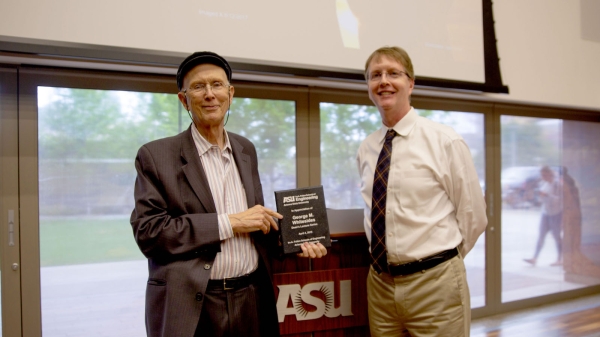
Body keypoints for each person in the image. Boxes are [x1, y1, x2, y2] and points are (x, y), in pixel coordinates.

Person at [130, 51, 327, 337]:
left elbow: (254, 226)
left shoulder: (246, 150)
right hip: (194, 306)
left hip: (252, 299)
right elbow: (150, 233)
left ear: (231, 94)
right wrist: (230, 222)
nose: (210, 94)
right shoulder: (156, 155)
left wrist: (295, 240)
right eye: (198, 87)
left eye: (217, 85)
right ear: (183, 99)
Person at [356, 46, 487, 337]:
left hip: (436, 285)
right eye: (375, 75)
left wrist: (441, 263)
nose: (384, 81)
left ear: (411, 83)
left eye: (394, 73)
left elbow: (474, 216)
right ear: (368, 87)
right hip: (380, 285)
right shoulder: (367, 148)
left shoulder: (444, 141)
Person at [524, 166, 563, 266]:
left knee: (556, 236)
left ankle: (560, 258)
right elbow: (541, 199)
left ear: (550, 174)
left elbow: (560, 199)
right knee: (541, 236)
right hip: (545, 212)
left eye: (544, 175)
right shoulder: (544, 184)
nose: (543, 177)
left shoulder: (557, 184)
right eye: (542, 175)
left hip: (556, 213)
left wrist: (546, 196)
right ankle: (534, 258)